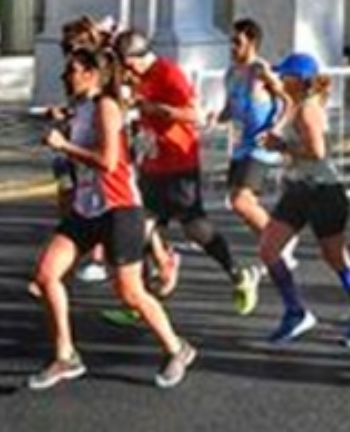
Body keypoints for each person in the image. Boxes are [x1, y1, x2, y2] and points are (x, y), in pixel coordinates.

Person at [28, 46, 197, 391]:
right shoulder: (81, 107)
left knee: (130, 293)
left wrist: (63, 145)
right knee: (46, 274)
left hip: (119, 208)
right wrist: (62, 124)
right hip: (87, 207)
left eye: (71, 70)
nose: (64, 76)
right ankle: (65, 355)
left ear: (91, 74)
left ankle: (177, 348)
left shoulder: (106, 107)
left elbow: (107, 161)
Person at [120, 31, 259, 315]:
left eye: (127, 63)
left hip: (177, 163)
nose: (125, 70)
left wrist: (153, 108)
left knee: (195, 227)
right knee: (140, 229)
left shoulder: (169, 74)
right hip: (152, 162)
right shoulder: (138, 77)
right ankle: (140, 302)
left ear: (137, 57)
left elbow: (193, 114)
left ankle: (239, 274)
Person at [257, 53, 350, 348]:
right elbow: (282, 102)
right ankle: (296, 312)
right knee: (268, 249)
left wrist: (282, 146)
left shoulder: (308, 110)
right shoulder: (296, 104)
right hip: (300, 189)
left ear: (299, 81)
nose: (281, 79)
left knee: (336, 257)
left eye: (284, 76)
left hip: (323, 191)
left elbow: (318, 152)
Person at [217, 19, 289, 245]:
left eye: (237, 42)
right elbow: (229, 109)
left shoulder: (260, 70)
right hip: (242, 146)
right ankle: (272, 248)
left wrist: (275, 129)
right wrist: (211, 118)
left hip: (261, 145)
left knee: (241, 201)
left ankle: (279, 243)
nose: (232, 47)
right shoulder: (230, 74)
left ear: (252, 43)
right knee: (237, 203)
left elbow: (288, 101)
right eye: (231, 42)